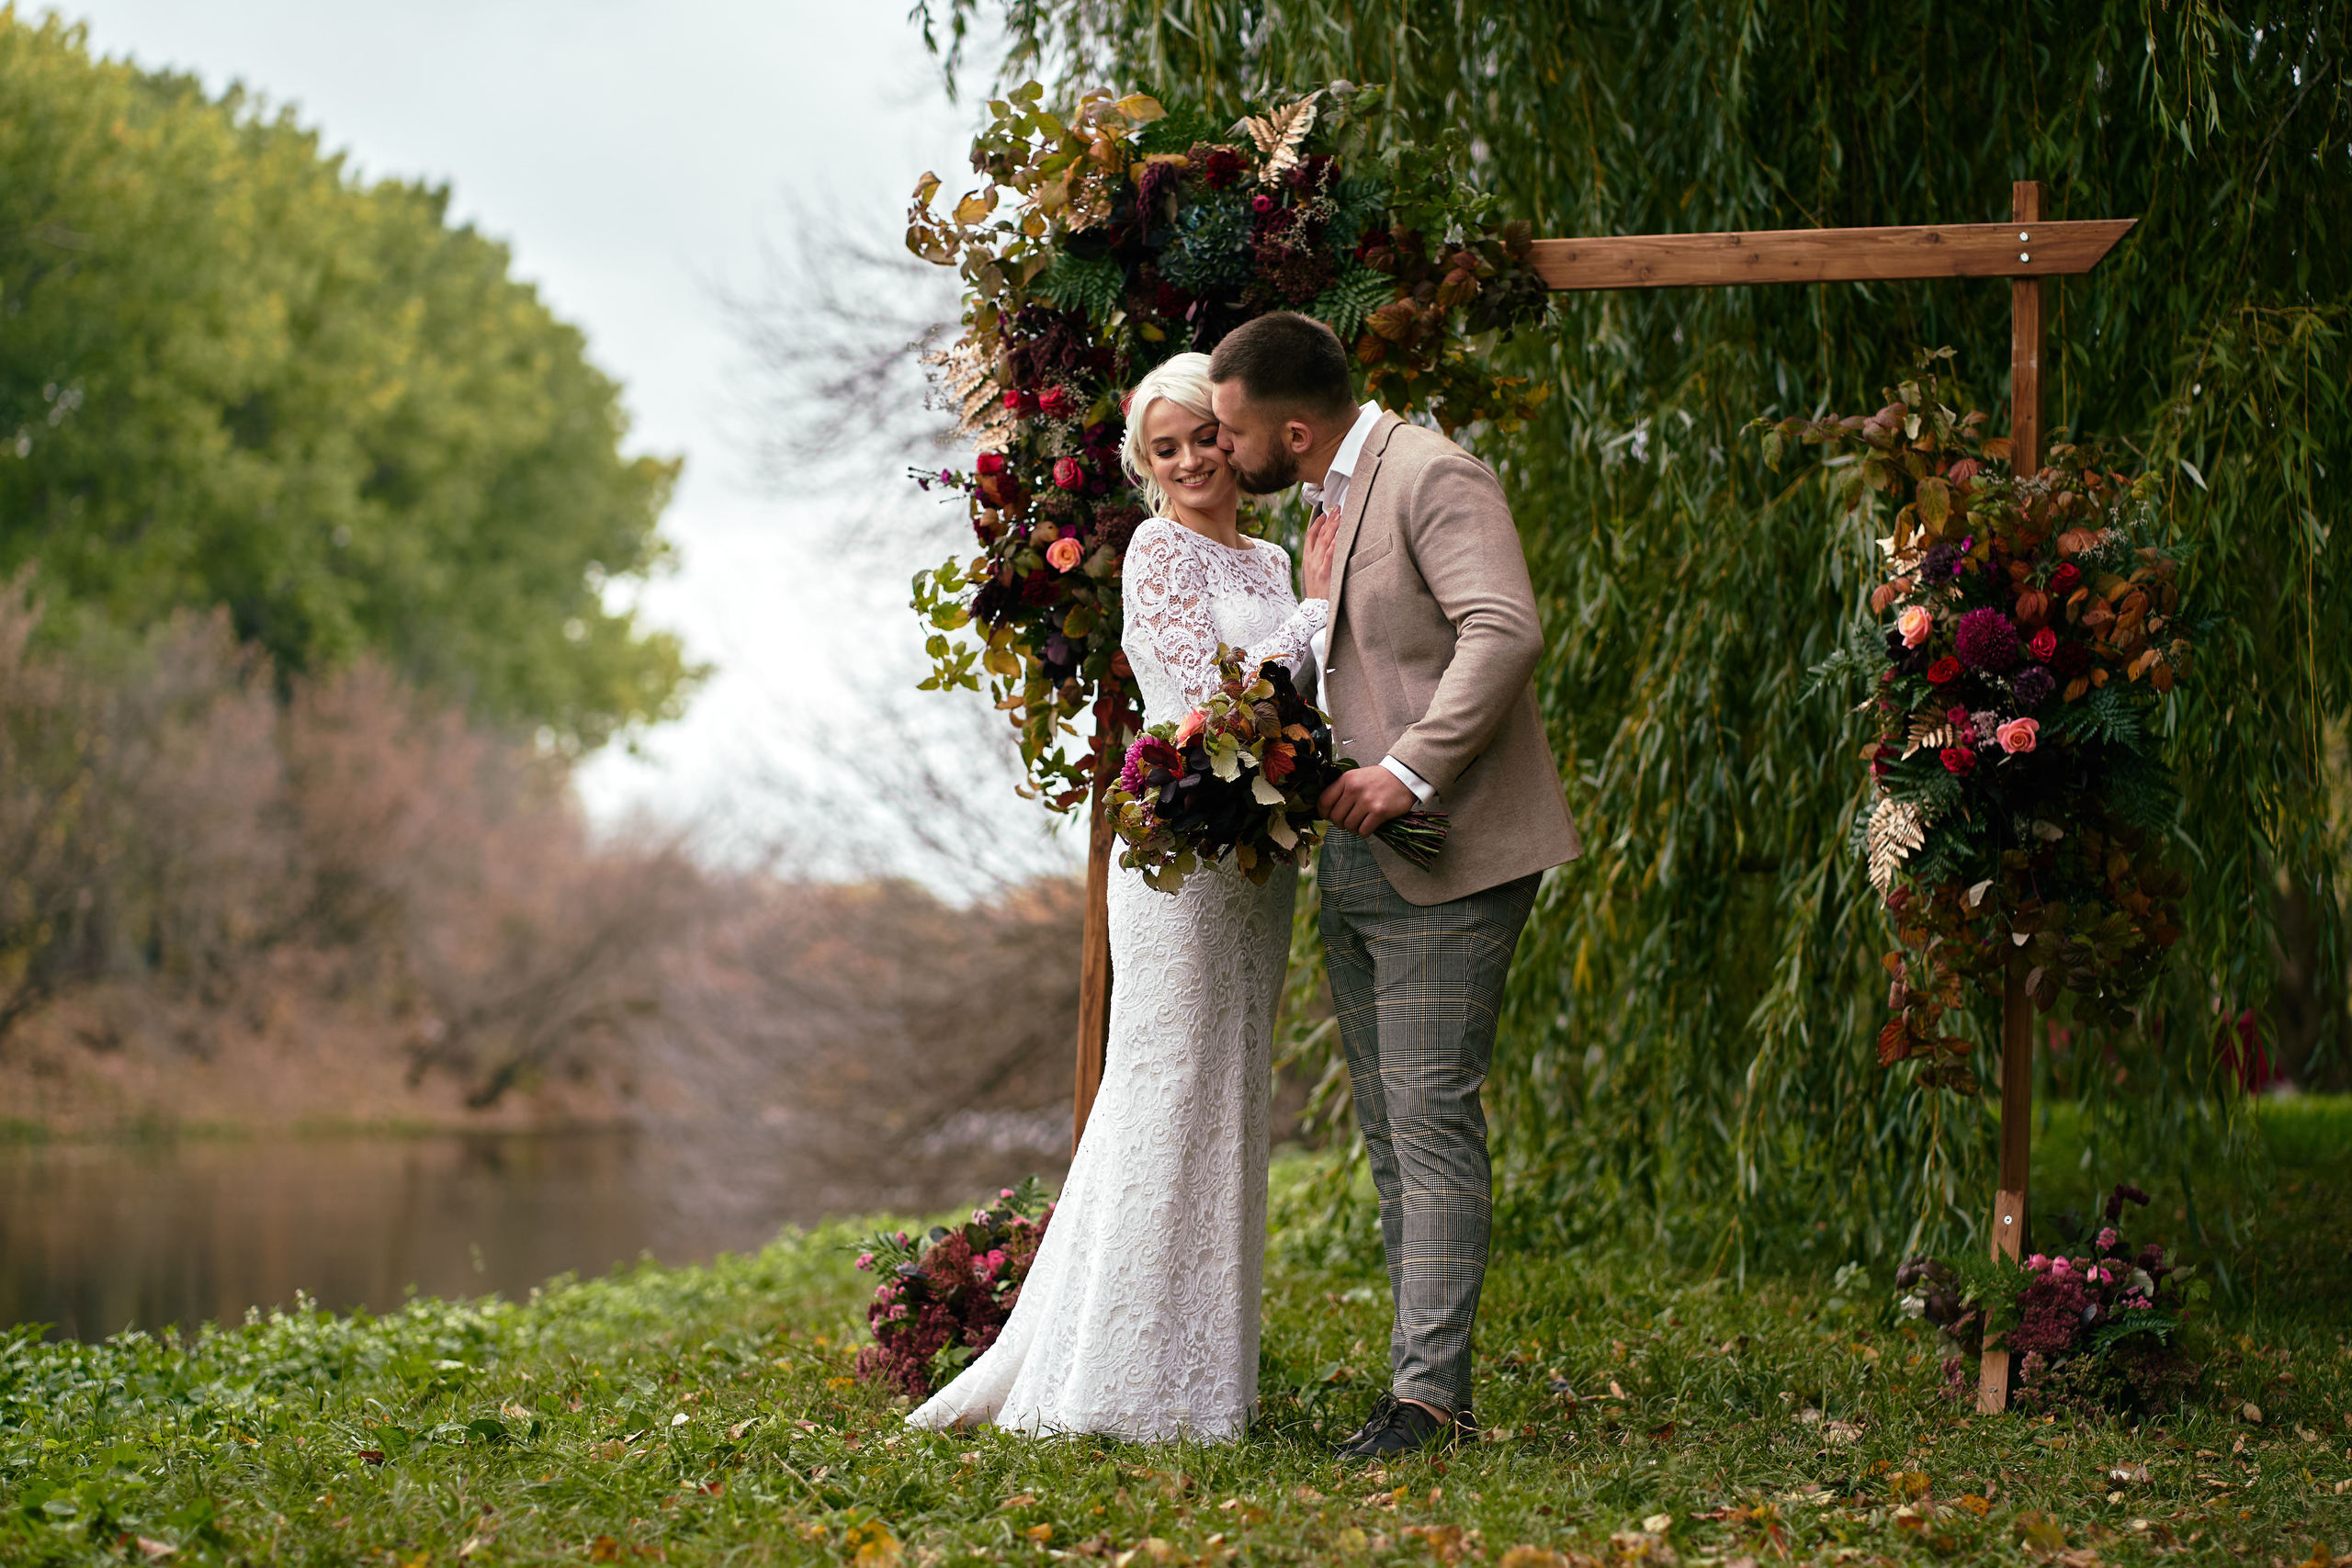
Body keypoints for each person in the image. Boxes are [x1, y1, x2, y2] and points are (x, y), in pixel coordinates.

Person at [904, 352, 1339, 1442]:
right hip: (1179, 858)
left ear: (1236, 439)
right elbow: (1205, 701)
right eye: (1166, 447)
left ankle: (1203, 1377)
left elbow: (1298, 706)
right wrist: (1318, 618)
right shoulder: (1158, 552)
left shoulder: (1273, 558)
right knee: (1162, 1082)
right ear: (1146, 467)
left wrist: (1310, 628)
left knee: (1228, 1088)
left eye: (1204, 435)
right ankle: (1112, 1379)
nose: (1192, 459)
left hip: (1257, 860)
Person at [1208, 311, 1582, 1460]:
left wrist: (1411, 769)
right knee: (1386, 1129)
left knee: (1428, 1120)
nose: (1222, 451)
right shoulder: (1325, 509)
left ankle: (1429, 1405)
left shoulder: (1432, 473)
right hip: (1358, 861)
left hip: (1451, 853)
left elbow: (1503, 629)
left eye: (1230, 430)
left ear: (1296, 425)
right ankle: (1415, 1386)